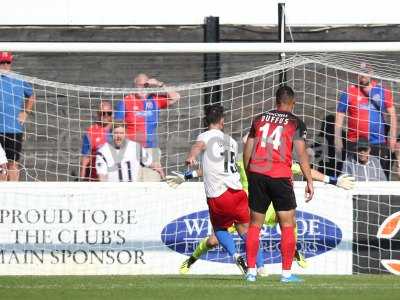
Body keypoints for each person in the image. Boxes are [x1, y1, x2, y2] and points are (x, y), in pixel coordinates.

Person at [169, 134, 354, 275]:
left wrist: (334, 180)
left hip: (267, 206)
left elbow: (307, 171)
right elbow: (209, 169)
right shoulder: (242, 161)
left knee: (289, 218)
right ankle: (192, 260)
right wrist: (186, 176)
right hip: (245, 208)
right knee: (213, 240)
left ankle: (292, 251)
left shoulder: (275, 161)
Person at [243, 85, 314, 283]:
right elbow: (301, 154)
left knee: (255, 224)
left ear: (276, 101)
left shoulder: (259, 118)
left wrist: (250, 174)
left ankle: (250, 272)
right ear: (293, 103)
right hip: (280, 176)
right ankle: (286, 273)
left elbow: (247, 148)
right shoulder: (295, 122)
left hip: (257, 174)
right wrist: (309, 180)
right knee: (288, 224)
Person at [185, 104, 258, 275]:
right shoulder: (231, 142)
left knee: (219, 229)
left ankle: (235, 255)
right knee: (246, 232)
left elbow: (198, 145)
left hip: (219, 194)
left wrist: (191, 156)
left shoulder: (205, 136)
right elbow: (214, 167)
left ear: (206, 121)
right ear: (222, 121)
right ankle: (256, 268)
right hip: (238, 193)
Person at [335, 63, 397, 179]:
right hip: (355, 142)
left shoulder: (382, 91)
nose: (363, 75)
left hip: (377, 142)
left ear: (371, 73)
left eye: (365, 72)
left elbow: (392, 115)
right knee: (353, 175)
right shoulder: (349, 91)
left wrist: (392, 137)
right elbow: (339, 115)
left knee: (380, 175)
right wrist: (337, 138)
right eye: (360, 72)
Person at [114, 73, 180, 181]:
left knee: (152, 184)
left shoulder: (154, 99)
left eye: (146, 85)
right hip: (132, 151)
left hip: (151, 149)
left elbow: (176, 97)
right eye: (140, 85)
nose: (143, 88)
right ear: (134, 85)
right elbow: (117, 128)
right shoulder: (125, 101)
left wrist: (159, 84)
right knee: (132, 184)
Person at [0, 51, 36, 181]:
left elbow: (31, 95)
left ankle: (13, 194)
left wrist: (25, 112)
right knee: (0, 166)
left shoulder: (18, 79)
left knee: (12, 164)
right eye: (2, 62)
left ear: (11, 63)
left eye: (7, 62)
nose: (4, 65)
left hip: (13, 129)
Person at [96, 122, 164, 182]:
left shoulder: (135, 147)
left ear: (125, 134)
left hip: (133, 190)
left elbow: (152, 163)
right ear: (111, 134)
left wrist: (163, 176)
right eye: (116, 133)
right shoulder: (103, 151)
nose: (118, 136)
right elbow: (102, 177)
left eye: (121, 133)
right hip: (113, 191)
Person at [80, 101, 113, 181]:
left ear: (112, 114)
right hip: (97, 179)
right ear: (98, 114)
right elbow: (85, 159)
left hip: (115, 177)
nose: (105, 116)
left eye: (108, 113)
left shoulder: (119, 129)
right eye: (102, 113)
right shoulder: (91, 132)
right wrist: (81, 180)